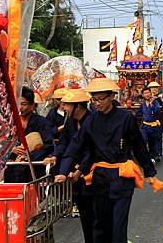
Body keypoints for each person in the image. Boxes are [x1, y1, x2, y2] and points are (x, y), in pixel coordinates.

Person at [56, 77, 157, 243]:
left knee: (118, 226)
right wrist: (63, 171)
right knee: (100, 225)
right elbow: (75, 147)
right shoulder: (91, 121)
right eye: (94, 100)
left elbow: (138, 146)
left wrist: (149, 171)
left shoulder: (126, 118)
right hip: (101, 179)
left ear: (112, 96)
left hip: (122, 178)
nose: (97, 103)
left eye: (101, 99)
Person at [45, 88, 94, 242]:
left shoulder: (93, 121)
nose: (64, 107)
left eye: (67, 105)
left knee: (98, 218)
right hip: (76, 175)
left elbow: (92, 151)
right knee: (85, 215)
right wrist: (55, 157)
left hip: (94, 174)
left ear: (78, 106)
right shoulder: (70, 123)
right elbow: (65, 145)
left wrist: (80, 170)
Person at [3, 86, 54, 182]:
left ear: (32, 105)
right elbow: (2, 143)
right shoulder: (10, 122)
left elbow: (48, 145)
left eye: (23, 104)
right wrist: (12, 150)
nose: (20, 107)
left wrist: (28, 157)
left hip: (34, 168)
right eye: (18, 104)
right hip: (13, 166)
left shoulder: (42, 122)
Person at [136, 87, 163, 162]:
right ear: (143, 95)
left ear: (150, 93)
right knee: (143, 139)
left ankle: (153, 155)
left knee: (153, 142)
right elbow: (139, 113)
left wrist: (152, 105)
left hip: (153, 125)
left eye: (148, 92)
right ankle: (144, 155)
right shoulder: (143, 104)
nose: (147, 94)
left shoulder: (155, 102)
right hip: (145, 125)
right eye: (145, 93)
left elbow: (157, 112)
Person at [148, 81, 163, 159]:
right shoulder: (148, 98)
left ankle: (159, 152)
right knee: (151, 137)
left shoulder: (160, 98)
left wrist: (161, 99)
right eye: (152, 88)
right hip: (151, 120)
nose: (154, 90)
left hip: (159, 119)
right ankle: (152, 153)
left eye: (155, 88)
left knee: (158, 136)